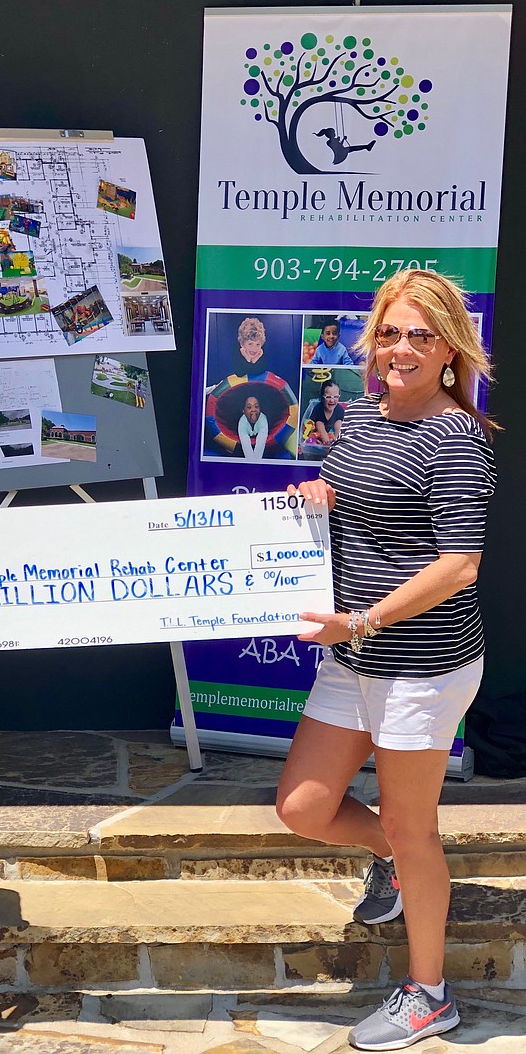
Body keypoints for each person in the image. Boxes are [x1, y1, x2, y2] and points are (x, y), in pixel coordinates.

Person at [276, 271, 497, 1050]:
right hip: (355, 656)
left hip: (420, 665)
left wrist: (361, 619)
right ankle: (398, 863)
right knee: (302, 806)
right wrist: (314, 495)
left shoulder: (457, 437)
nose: (402, 349)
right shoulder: (367, 419)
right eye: (393, 332)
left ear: (449, 351)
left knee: (414, 826)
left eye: (421, 336)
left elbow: (459, 564)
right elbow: (352, 498)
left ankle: (431, 993)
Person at [311, 380, 345, 446]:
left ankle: (336, 441)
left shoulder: (339, 409)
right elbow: (311, 425)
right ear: (322, 397)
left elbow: (343, 426)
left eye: (336, 397)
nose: (332, 400)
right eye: (328, 397)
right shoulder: (318, 408)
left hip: (333, 434)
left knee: (339, 423)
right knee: (319, 423)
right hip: (320, 435)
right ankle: (326, 442)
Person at [237, 394, 268, 461]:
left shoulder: (263, 419)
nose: (253, 410)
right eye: (249, 407)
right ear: (243, 411)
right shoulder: (242, 421)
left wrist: (256, 462)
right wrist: (251, 463)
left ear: (260, 409)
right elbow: (245, 442)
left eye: (256, 406)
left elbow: (261, 440)